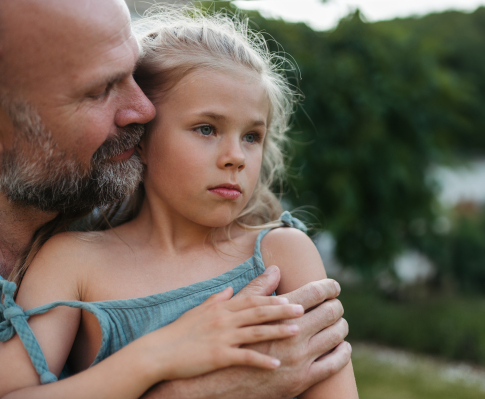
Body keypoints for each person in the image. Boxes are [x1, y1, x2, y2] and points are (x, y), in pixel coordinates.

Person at [0, 1, 351, 398]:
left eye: (252, 136)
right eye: (206, 128)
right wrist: (157, 356)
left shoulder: (281, 254)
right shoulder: (71, 261)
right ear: (141, 140)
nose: (236, 156)